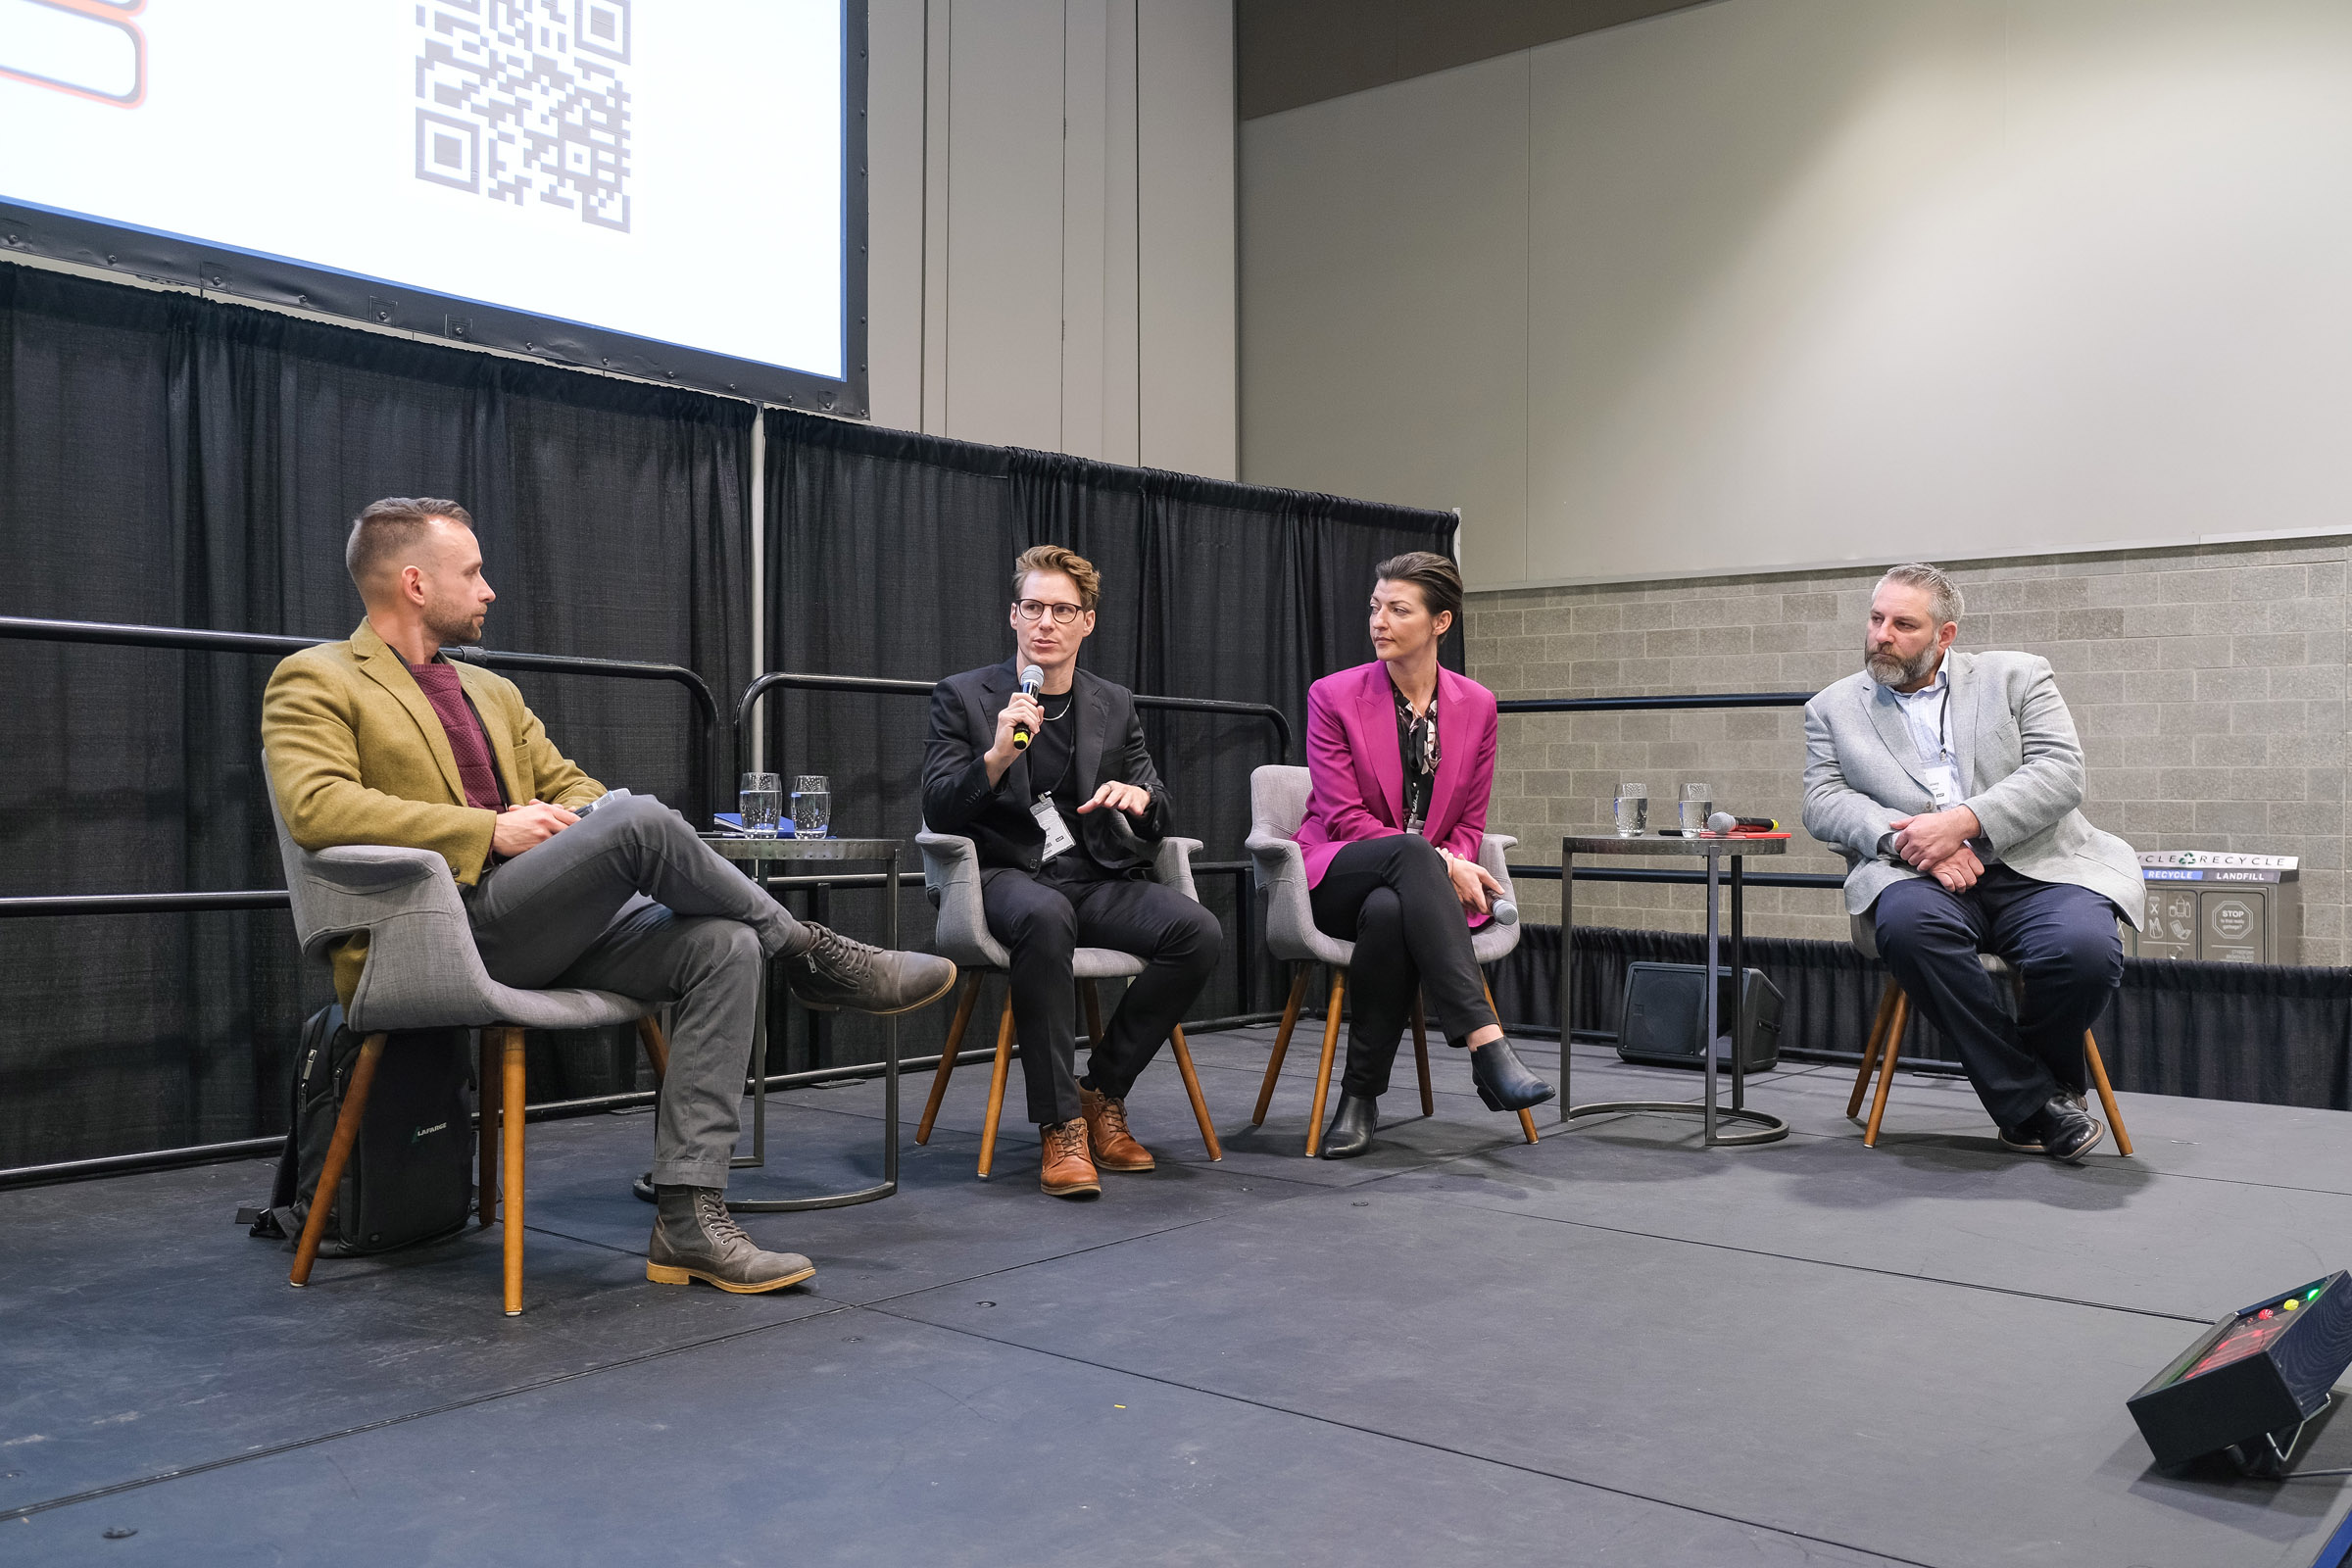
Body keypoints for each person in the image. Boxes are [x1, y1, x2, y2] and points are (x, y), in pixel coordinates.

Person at [262, 497, 956, 1294]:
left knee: (720, 944)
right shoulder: (316, 678)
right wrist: (489, 831)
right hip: (437, 929)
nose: (489, 591)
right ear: (414, 584)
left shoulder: (492, 694)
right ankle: (808, 952)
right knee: (639, 823)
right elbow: (318, 807)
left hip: (541, 923)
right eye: (475, 573)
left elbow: (576, 787)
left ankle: (689, 1219)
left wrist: (579, 827)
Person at [1802, 562, 2143, 1162]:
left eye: (1903, 624)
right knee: (1907, 928)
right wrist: (1907, 841)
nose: (1881, 634)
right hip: (1919, 876)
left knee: (2086, 951)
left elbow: (2061, 774)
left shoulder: (2018, 675)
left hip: (2037, 868)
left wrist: (1963, 822)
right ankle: (2039, 1103)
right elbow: (1823, 800)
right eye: (1876, 618)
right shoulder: (1832, 708)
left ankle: (2035, 1086)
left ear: (1945, 635)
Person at [922, 545, 1223, 1200]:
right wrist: (997, 756)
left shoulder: (1112, 703)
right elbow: (939, 808)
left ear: (1087, 622)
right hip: (1003, 878)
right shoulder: (966, 697)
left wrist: (1142, 804)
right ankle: (1060, 1126)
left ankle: (1102, 1091)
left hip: (1093, 876)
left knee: (1197, 933)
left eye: (1063, 610)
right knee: (1044, 913)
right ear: (1013, 614)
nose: (1046, 623)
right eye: (1034, 607)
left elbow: (1157, 803)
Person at [1294, 552, 1554, 1158]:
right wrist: (1444, 862)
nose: (1379, 620)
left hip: (1405, 896)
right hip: (1336, 874)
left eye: (1398, 609)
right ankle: (1487, 1044)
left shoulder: (1479, 705)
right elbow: (1344, 817)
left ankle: (1359, 1098)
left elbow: (1469, 821)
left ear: (1440, 623)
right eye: (1375, 607)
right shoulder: (1333, 696)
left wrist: (1449, 857)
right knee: (1407, 858)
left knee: (1390, 912)